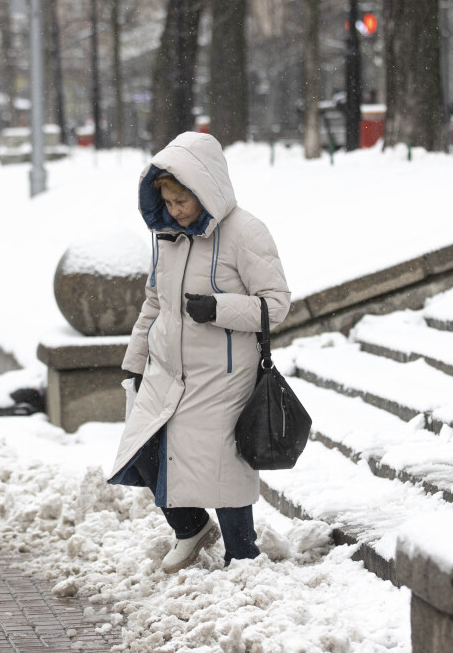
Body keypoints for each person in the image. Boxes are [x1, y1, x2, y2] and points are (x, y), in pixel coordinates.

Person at [107, 132, 291, 573]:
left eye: (182, 200)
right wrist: (135, 363)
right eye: (168, 201)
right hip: (167, 369)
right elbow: (154, 302)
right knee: (142, 447)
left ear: (206, 189)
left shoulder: (246, 232)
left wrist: (218, 308)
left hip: (222, 375)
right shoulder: (167, 236)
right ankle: (190, 528)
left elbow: (277, 305)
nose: (175, 210)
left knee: (222, 464)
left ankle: (242, 554)